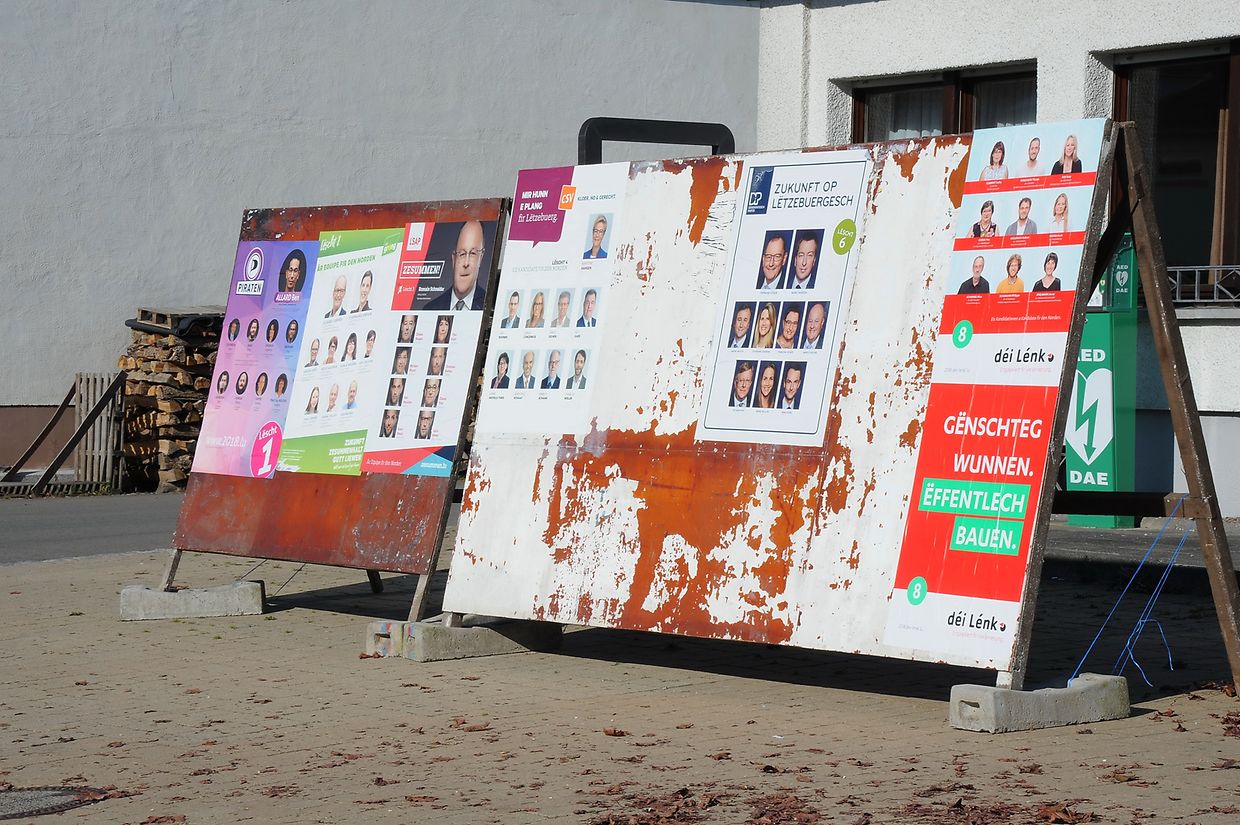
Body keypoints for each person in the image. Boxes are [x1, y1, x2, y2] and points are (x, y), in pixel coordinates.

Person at [426, 220, 487, 310]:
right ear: (454, 259)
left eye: (473, 253)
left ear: (481, 257)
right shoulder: (431, 308)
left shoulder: (491, 306)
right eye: (462, 254)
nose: (466, 263)